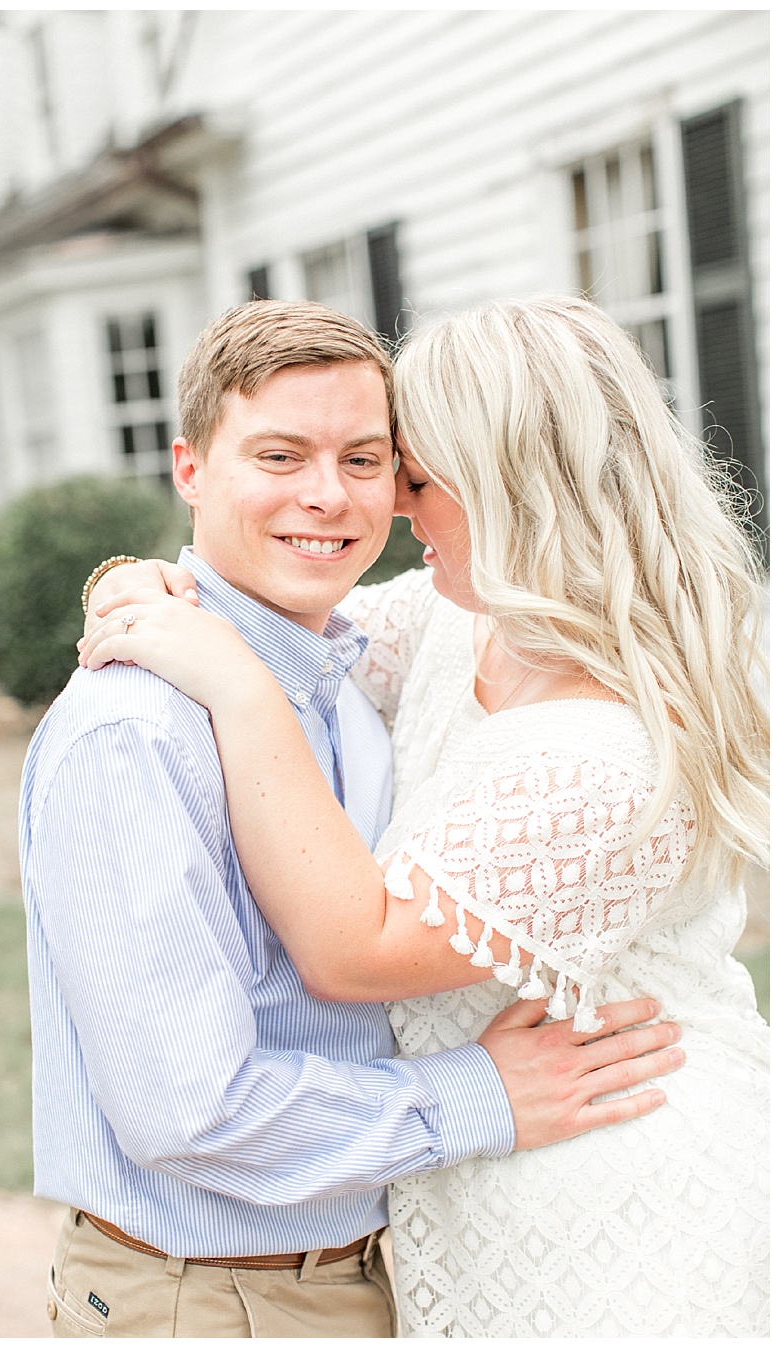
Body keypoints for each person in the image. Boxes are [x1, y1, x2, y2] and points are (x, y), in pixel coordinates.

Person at [81, 296, 768, 1335]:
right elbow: (286, 628)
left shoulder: (606, 748)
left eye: (413, 475)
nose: (396, 508)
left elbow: (357, 949)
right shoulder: (469, 623)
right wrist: (135, 580)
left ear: (507, 489)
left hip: (630, 1205)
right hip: (498, 1184)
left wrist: (237, 690)